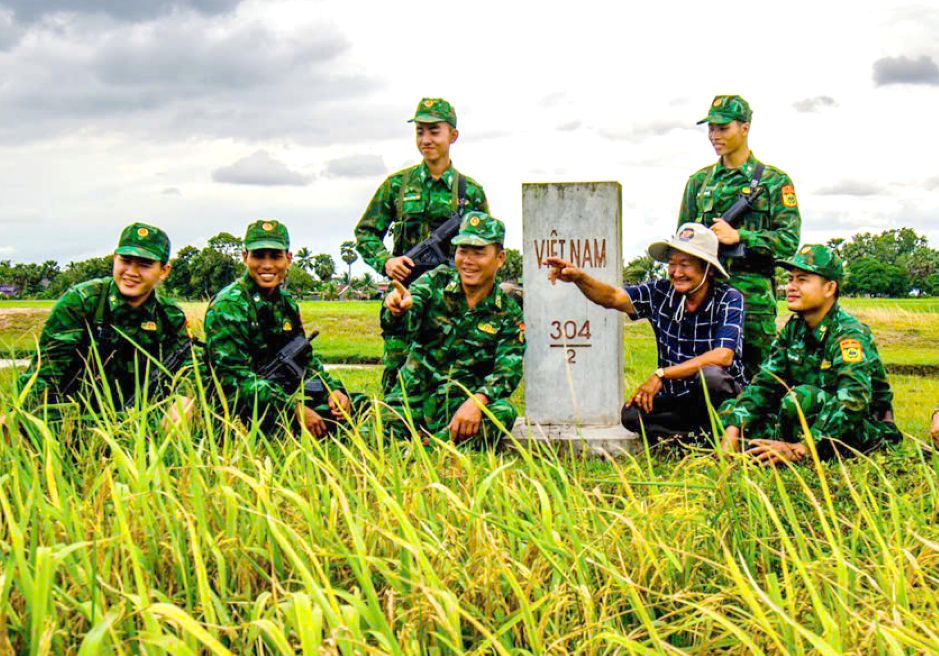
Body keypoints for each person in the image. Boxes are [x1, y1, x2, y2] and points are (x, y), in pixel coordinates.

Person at [546, 223, 746, 443]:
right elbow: (613, 297)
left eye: (685, 265)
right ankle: (695, 438)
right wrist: (579, 278)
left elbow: (723, 356)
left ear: (707, 268)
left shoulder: (729, 298)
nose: (676, 273)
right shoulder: (660, 292)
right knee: (632, 414)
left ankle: (719, 430)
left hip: (717, 395)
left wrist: (662, 374)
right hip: (678, 397)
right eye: (672, 264)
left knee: (711, 378)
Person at [354, 97, 490, 394]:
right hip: (405, 296)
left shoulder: (470, 193)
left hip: (451, 301)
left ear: (452, 135)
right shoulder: (397, 186)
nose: (426, 139)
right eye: (420, 131)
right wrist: (386, 262)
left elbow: (486, 249)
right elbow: (365, 232)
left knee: (452, 379)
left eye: (434, 131)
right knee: (398, 379)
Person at [720, 245, 901, 465]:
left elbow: (853, 400)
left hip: (859, 429)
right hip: (809, 422)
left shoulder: (848, 334)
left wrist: (803, 448)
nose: (790, 287)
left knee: (801, 398)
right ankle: (768, 447)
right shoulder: (795, 328)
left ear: (829, 288)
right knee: (731, 409)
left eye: (802, 280)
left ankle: (800, 451)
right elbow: (766, 383)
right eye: (790, 278)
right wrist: (734, 428)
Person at [13, 222, 194, 423]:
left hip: (140, 422)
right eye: (125, 261)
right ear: (114, 259)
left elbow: (190, 365)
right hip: (72, 419)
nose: (132, 272)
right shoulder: (82, 301)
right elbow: (46, 373)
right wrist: (27, 423)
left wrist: (183, 398)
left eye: (144, 264)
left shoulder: (169, 315)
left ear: (164, 270)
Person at [679, 94, 801, 379]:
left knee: (760, 379)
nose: (714, 135)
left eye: (723, 128)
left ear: (744, 128)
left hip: (754, 299)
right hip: (708, 295)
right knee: (705, 375)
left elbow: (789, 241)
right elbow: (682, 244)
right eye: (711, 128)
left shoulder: (774, 181)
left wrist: (741, 236)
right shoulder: (699, 182)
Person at [381, 212, 524, 445]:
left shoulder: (508, 313)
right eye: (462, 251)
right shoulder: (435, 282)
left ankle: (430, 446)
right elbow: (407, 313)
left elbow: (507, 372)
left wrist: (477, 401)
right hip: (413, 398)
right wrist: (398, 309)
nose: (468, 260)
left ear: (499, 258)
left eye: (478, 253)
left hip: (459, 407)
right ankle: (436, 444)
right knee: (372, 433)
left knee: (502, 414)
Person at [204, 220, 357, 436]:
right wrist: (293, 409)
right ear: (245, 257)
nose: (267, 265)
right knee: (317, 419)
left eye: (275, 256)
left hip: (280, 394)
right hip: (243, 405)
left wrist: (332, 391)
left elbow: (304, 360)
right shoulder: (229, 305)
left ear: (288, 259)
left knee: (354, 403)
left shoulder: (286, 304)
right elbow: (233, 380)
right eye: (259, 256)